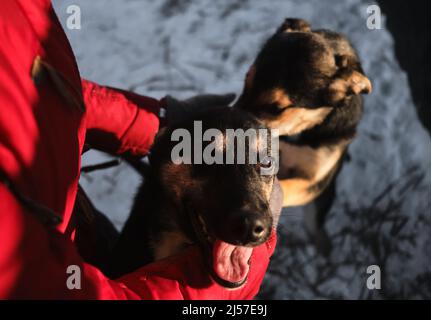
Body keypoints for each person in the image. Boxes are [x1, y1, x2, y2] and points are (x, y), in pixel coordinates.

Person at [0, 0, 280, 299]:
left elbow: (31, 77)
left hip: (78, 229)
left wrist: (148, 123)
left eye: (262, 163)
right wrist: (211, 295)